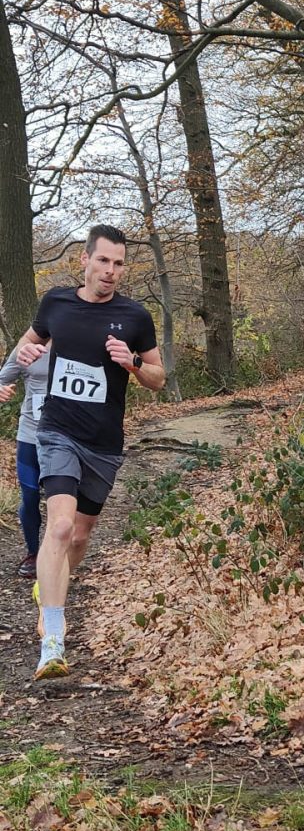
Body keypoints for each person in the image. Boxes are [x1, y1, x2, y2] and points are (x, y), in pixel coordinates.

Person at [16, 224, 165, 679]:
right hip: (57, 431)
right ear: (85, 260)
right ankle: (53, 639)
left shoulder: (134, 317)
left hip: (103, 444)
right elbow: (29, 342)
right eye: (103, 260)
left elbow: (159, 378)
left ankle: (50, 587)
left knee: (79, 538)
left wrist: (133, 363)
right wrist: (23, 355)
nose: (110, 271)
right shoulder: (56, 303)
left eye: (119, 264)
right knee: (60, 526)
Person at [0, 342, 51, 577]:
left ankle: (57, 553)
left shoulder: (78, 340)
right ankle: (33, 553)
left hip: (68, 435)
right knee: (29, 496)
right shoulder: (27, 347)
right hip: (30, 434)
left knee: (63, 497)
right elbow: (2, 378)